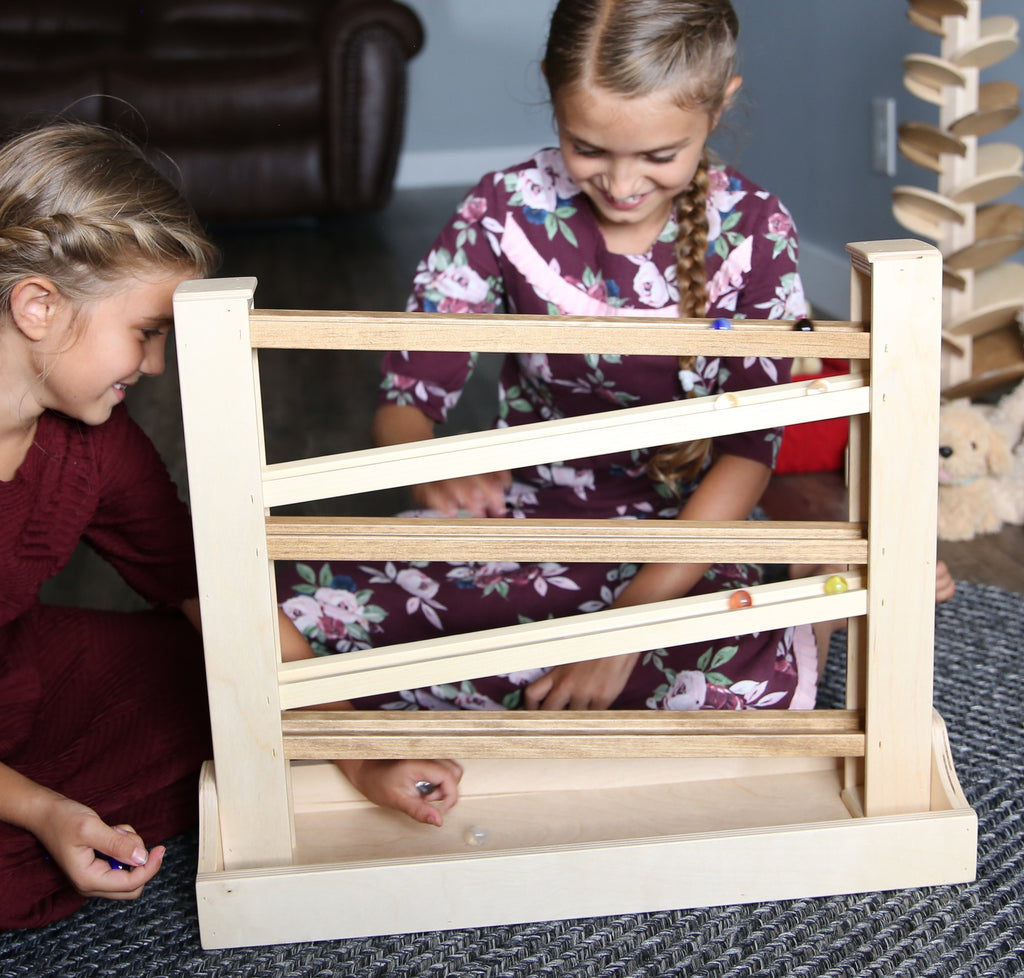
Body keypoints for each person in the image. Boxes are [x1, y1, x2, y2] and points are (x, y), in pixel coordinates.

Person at [278, 0, 825, 822]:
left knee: (752, 678)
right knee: (273, 610)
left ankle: (460, 700)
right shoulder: (505, 208)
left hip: (687, 541)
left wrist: (623, 632)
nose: (623, 183)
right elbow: (408, 398)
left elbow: (751, 451)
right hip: (524, 524)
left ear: (719, 106)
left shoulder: (756, 230)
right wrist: (436, 464)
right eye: (588, 148)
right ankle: (468, 709)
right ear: (552, 96)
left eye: (661, 155)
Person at [0, 122, 220, 928]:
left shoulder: (93, 440)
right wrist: (45, 811)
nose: (154, 365)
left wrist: (348, 746)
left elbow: (197, 583)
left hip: (19, 670)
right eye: (146, 333)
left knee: (210, 680)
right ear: (37, 307)